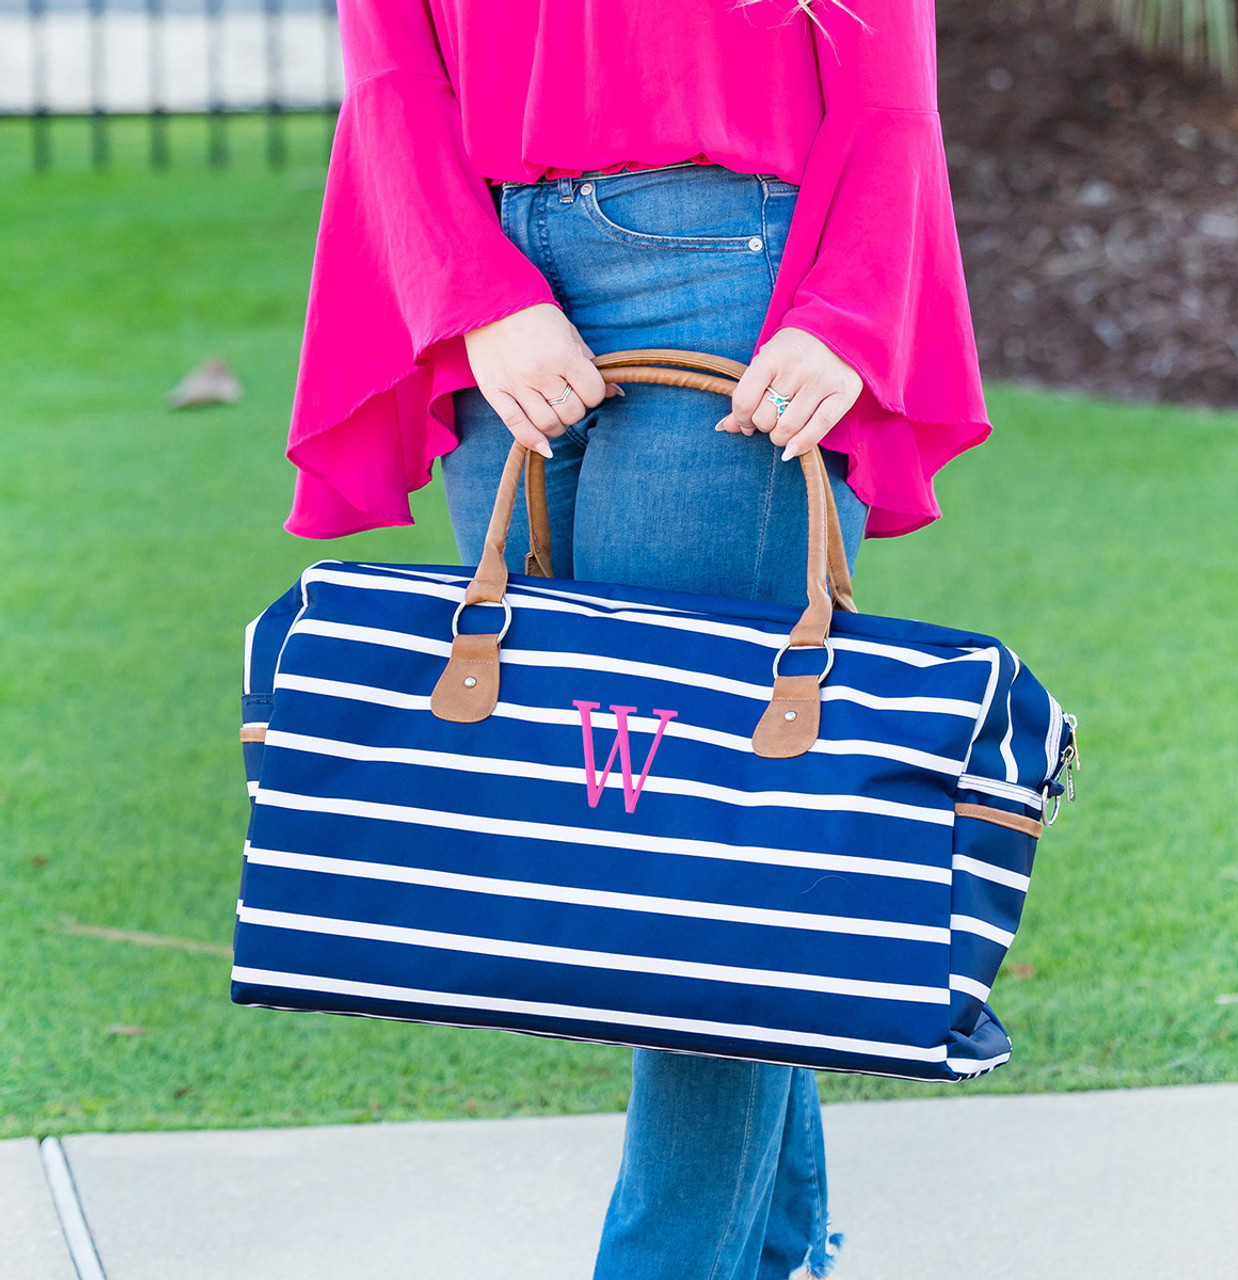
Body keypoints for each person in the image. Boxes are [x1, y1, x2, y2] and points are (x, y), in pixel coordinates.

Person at [281, 1, 991, 1275]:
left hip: (729, 260)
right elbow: (389, 45)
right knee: (672, 842)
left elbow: (883, 42)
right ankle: (773, 1252)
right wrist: (471, 290)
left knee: (705, 852)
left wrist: (849, 301)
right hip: (489, 264)